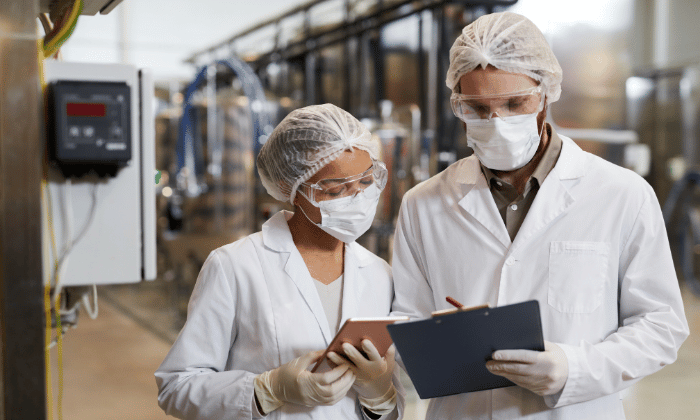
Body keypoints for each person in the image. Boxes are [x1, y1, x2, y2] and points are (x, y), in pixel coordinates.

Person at [390, 11, 689, 419]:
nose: (497, 123)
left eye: (515, 103)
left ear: (546, 94)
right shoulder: (423, 203)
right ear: (456, 104)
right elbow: (406, 323)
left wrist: (574, 370)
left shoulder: (621, 194)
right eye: (477, 108)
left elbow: (660, 325)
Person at [156, 104, 404, 420]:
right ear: (293, 190)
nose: (357, 199)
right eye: (337, 189)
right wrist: (266, 390)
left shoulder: (380, 273)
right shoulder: (235, 266)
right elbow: (176, 388)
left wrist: (379, 396)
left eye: (366, 183)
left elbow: (387, 407)